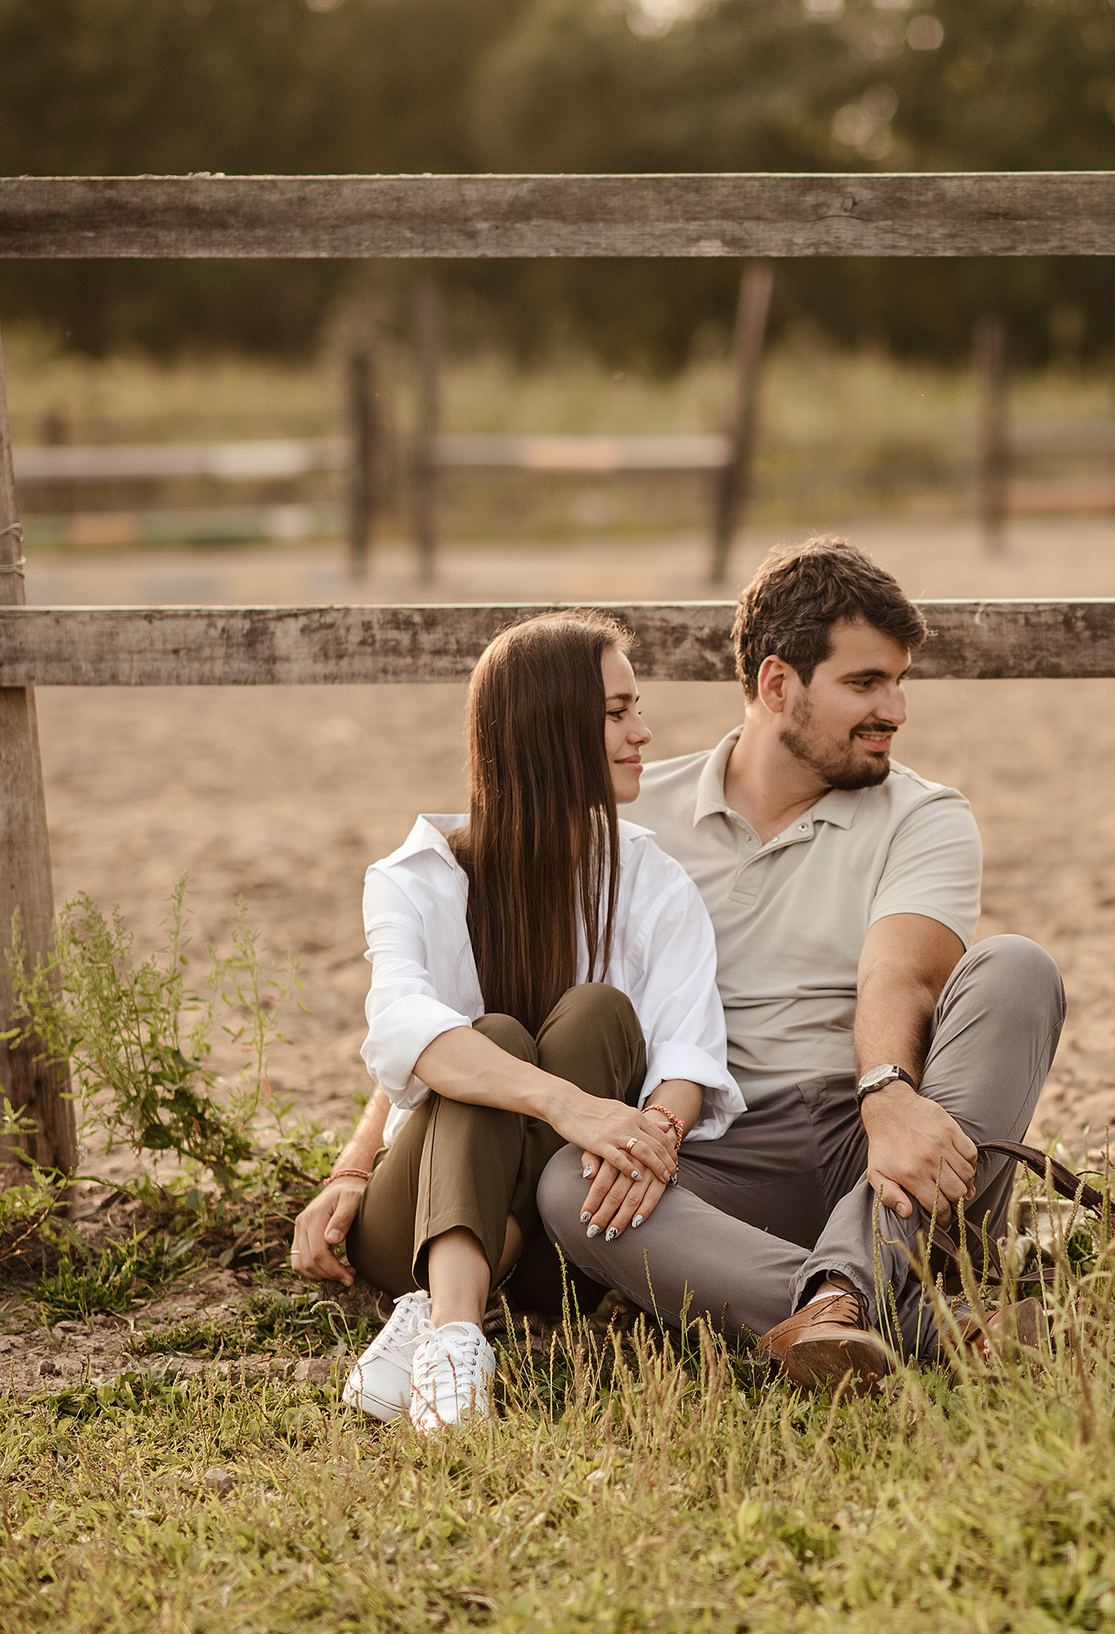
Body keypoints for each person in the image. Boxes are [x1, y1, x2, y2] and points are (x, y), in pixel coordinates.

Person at [540, 538, 1065, 1393]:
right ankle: (893, 1315)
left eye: (900, 682)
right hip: (711, 1155)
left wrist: (889, 1091)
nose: (894, 708)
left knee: (1016, 968)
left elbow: (901, 972)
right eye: (865, 683)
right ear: (778, 685)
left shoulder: (924, 815)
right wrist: (361, 1157)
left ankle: (843, 1296)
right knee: (570, 1182)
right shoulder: (637, 808)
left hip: (875, 1145)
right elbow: (481, 962)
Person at [289, 610, 738, 1433]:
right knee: (482, 1038)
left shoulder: (652, 881)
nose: (643, 731)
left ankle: (429, 1329)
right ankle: (457, 1338)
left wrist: (655, 1136)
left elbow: (688, 1049)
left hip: (580, 1222)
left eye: (635, 708)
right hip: (414, 1222)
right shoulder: (412, 877)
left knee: (598, 1012)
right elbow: (406, 1034)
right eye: (616, 711)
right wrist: (567, 1106)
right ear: (547, 726)